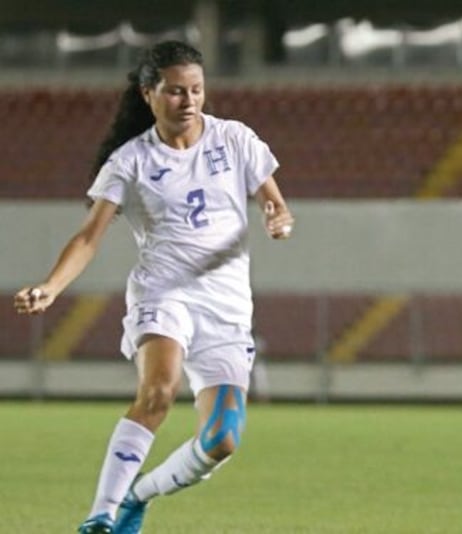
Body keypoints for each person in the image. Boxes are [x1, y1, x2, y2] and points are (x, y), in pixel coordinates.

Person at [13, 40, 295, 534]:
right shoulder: (130, 161)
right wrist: (52, 286)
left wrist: (277, 217)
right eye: (175, 91)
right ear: (149, 94)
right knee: (158, 392)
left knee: (222, 441)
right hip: (163, 295)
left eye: (196, 90)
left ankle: (137, 495)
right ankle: (99, 515)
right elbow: (89, 235)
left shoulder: (235, 140)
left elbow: (275, 202)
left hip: (226, 307)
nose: (188, 101)